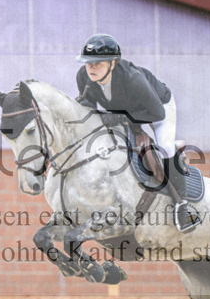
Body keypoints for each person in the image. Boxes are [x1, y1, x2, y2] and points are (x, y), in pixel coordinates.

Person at [74, 33, 200, 232]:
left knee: (165, 147)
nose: (91, 68)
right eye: (89, 63)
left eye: (98, 63)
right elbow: (89, 106)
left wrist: (120, 118)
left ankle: (182, 205)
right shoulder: (83, 77)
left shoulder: (133, 79)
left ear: (113, 63)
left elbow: (156, 112)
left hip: (158, 107)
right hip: (125, 111)